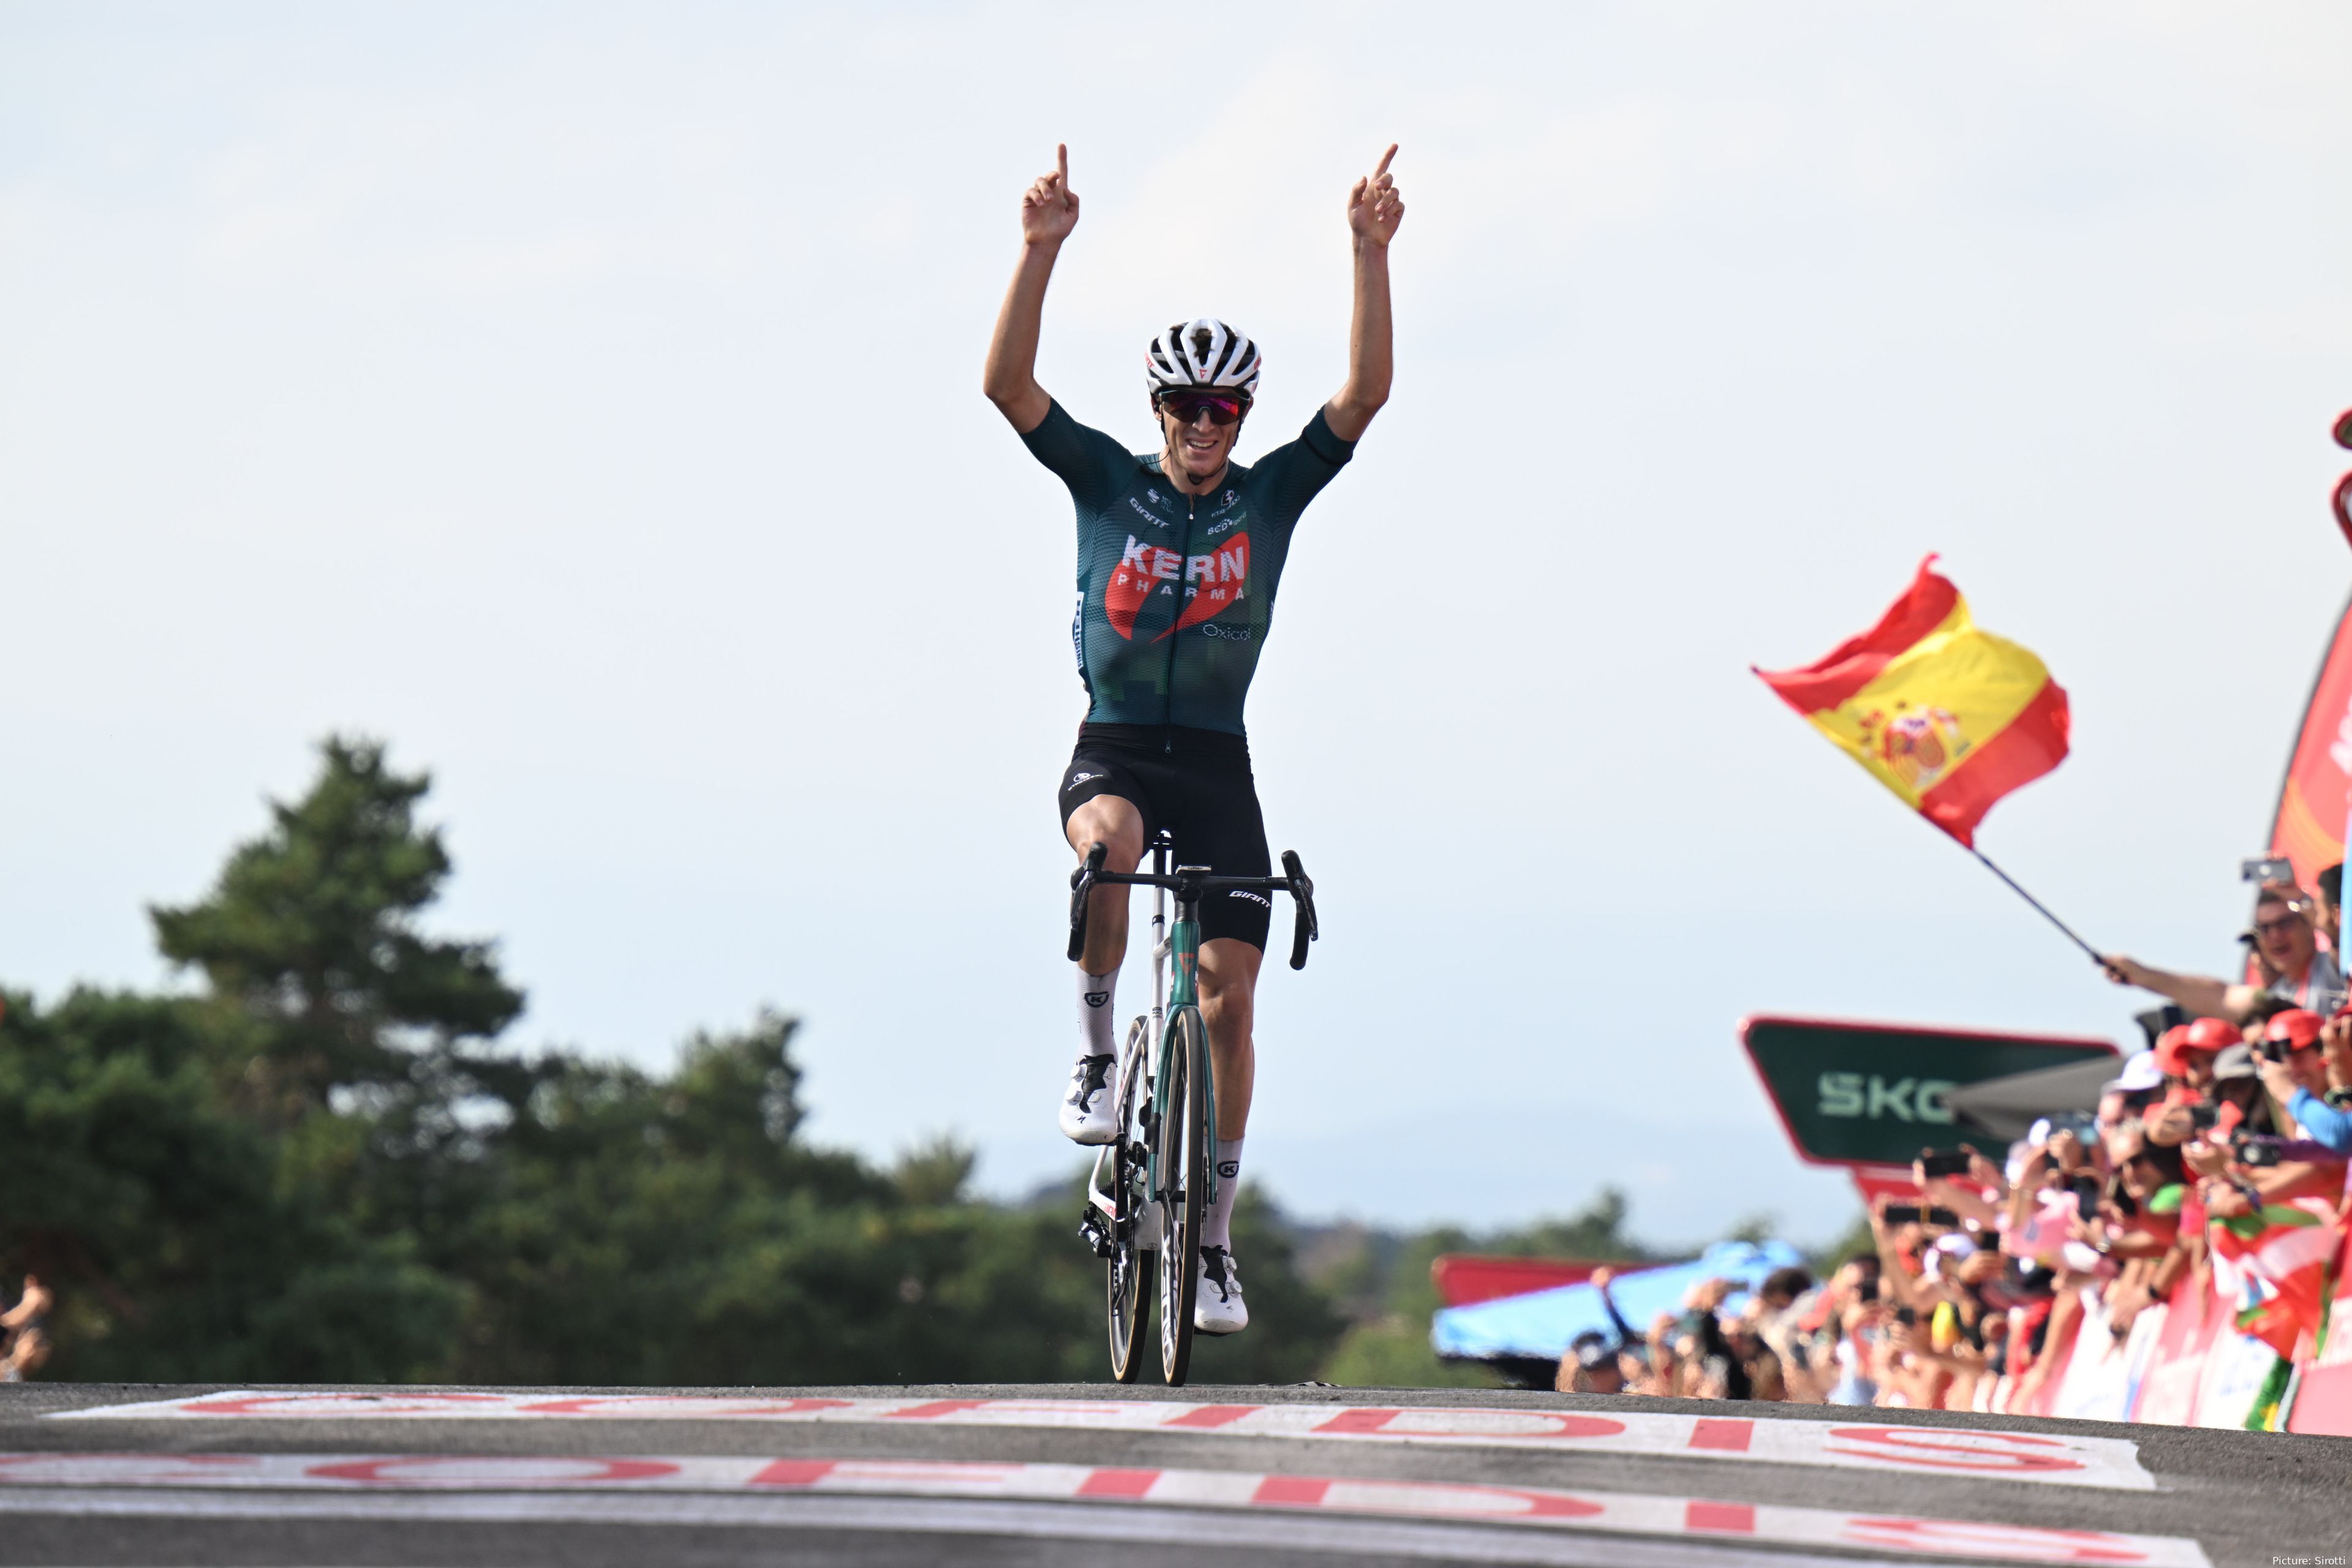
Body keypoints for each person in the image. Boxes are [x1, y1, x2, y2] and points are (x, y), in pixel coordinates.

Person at [984, 143, 1404, 1335]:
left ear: (1243, 415)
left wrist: (1369, 254)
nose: (1206, 424)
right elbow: (1008, 386)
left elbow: (1363, 398)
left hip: (1220, 762)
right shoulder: (1106, 482)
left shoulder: (1266, 498)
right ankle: (1091, 1053)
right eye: (1187, 404)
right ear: (1158, 407)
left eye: (1226, 407)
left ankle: (1212, 1244)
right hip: (1115, 742)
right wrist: (1039, 250)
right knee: (1106, 850)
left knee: (1230, 1001)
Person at [2102, 883, 2346, 1022]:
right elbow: (2222, 997)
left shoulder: (2335, 966)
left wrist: (2295, 893)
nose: (2274, 936)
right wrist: (2141, 975)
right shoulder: (2278, 993)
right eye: (2264, 929)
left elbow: (2335, 928)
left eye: (2284, 924)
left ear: (2309, 926)